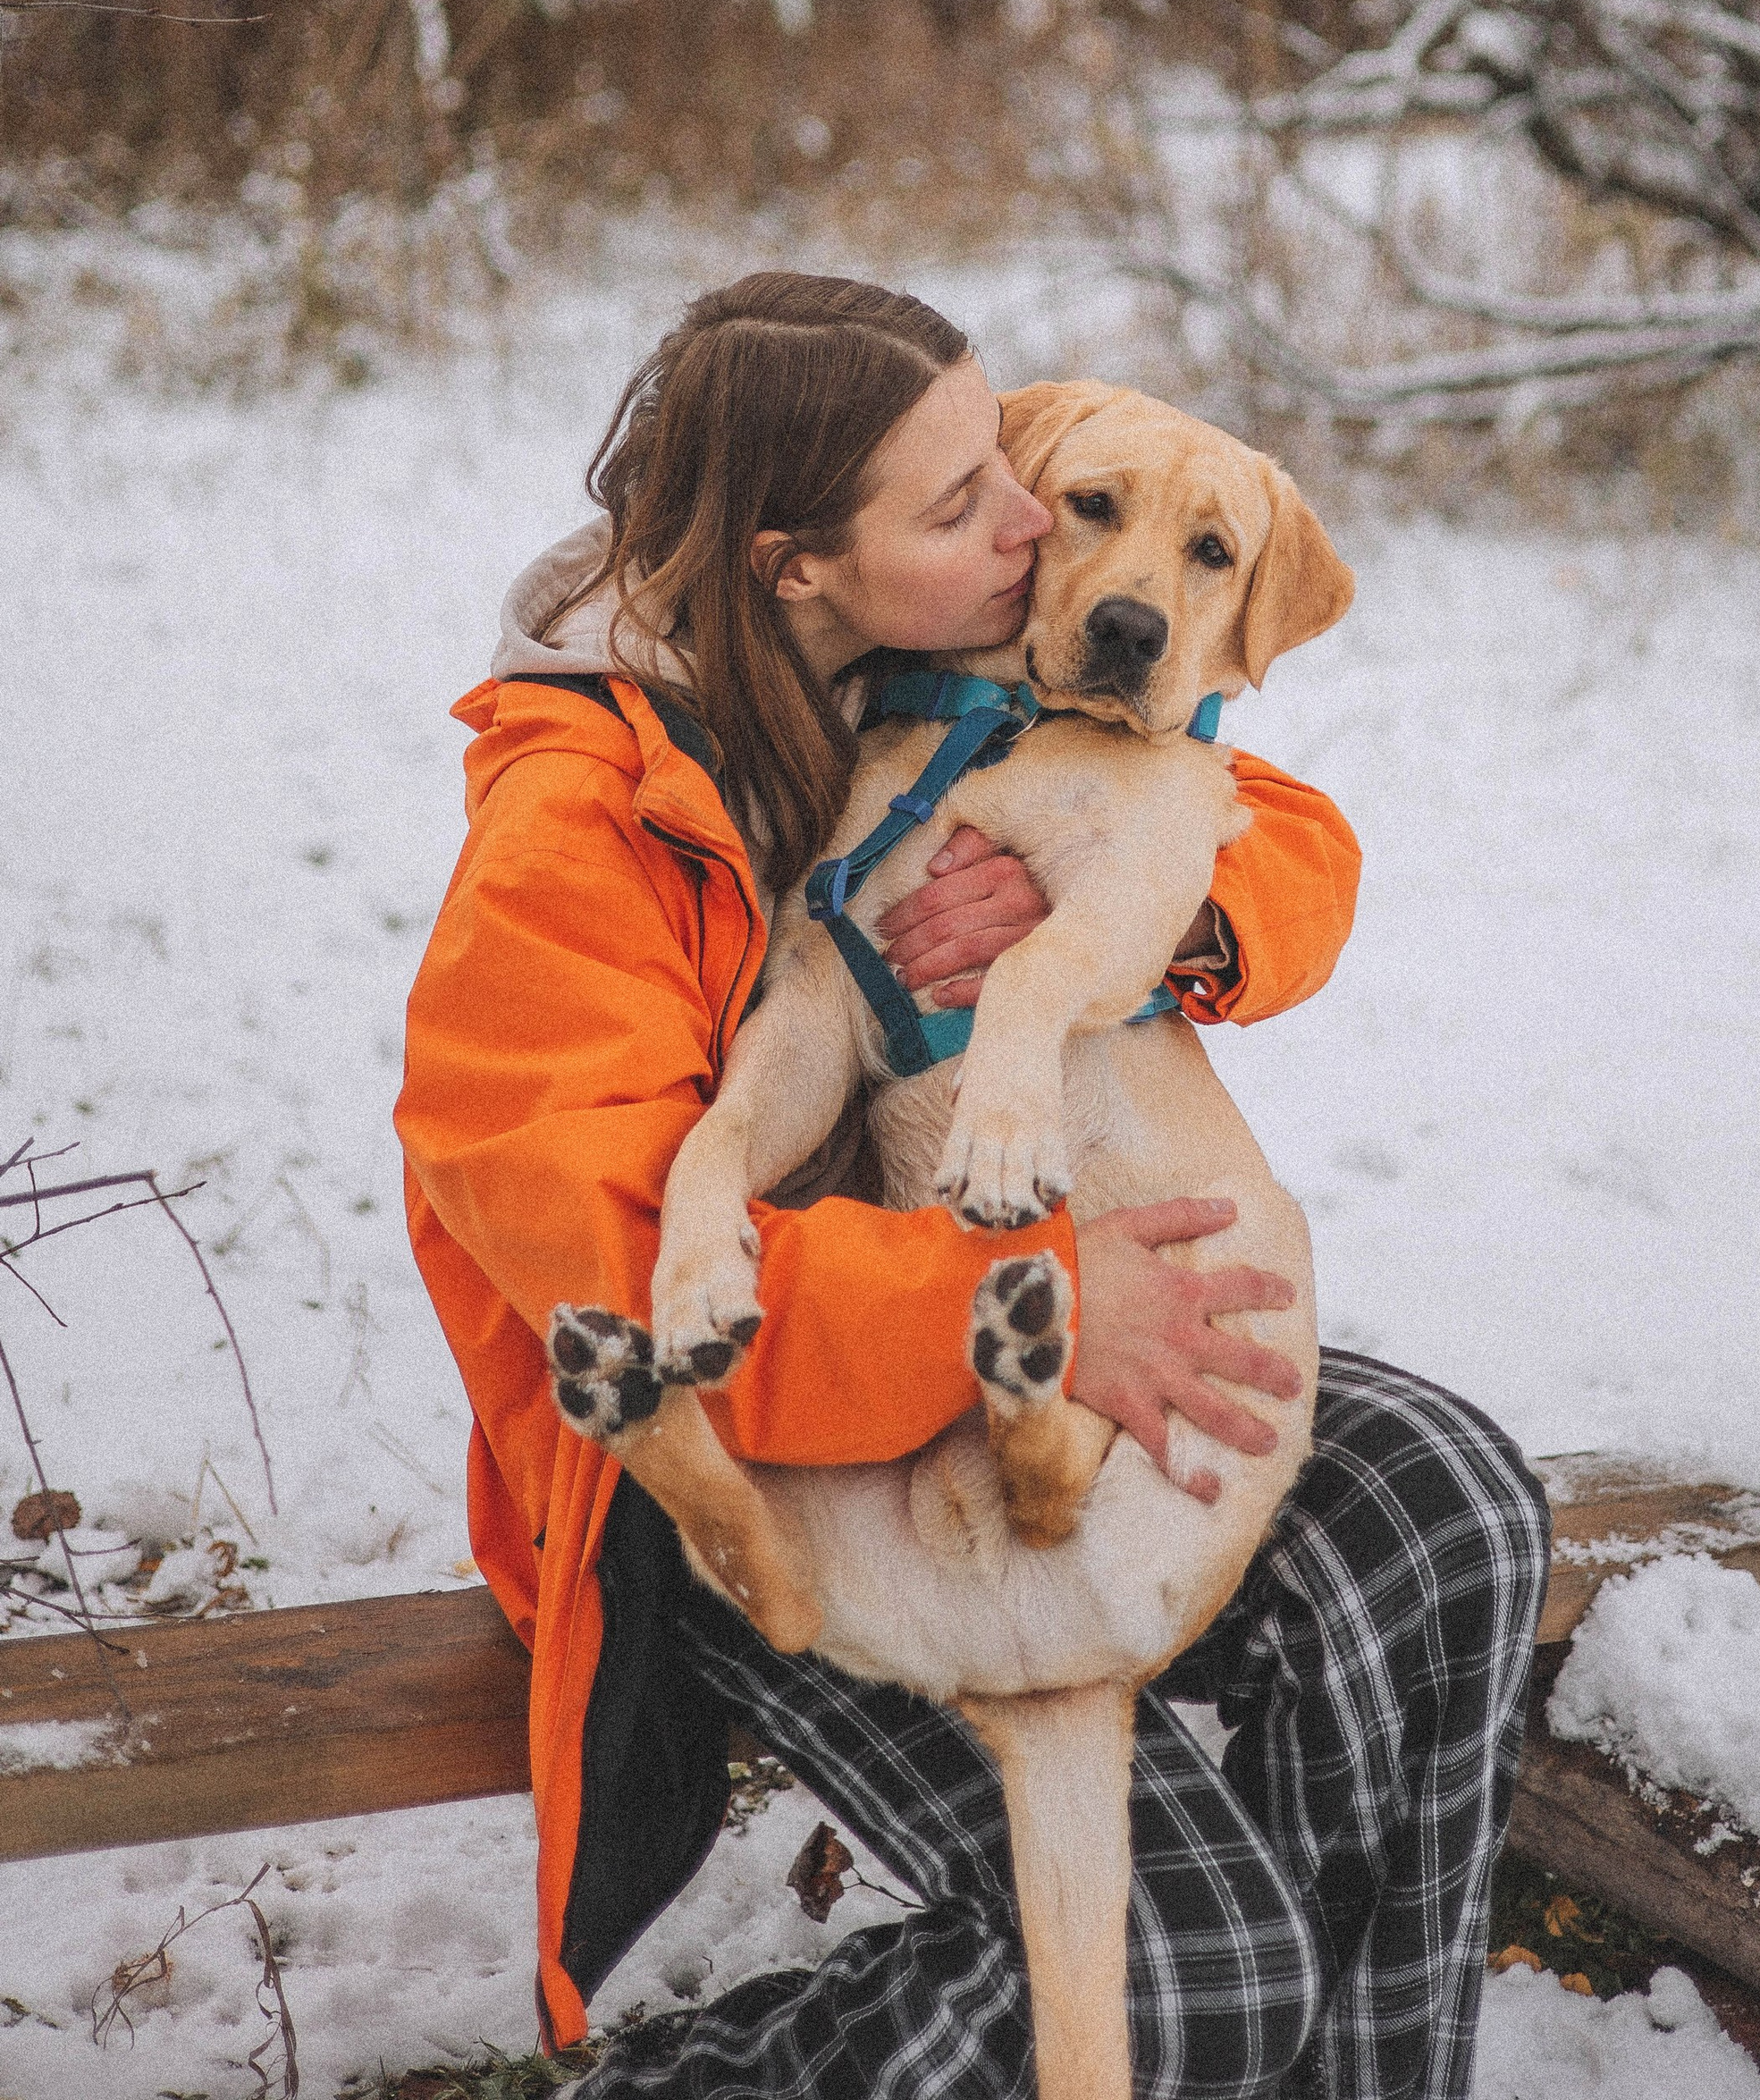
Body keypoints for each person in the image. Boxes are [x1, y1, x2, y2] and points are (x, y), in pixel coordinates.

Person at [397, 272, 1548, 2100]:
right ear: (794, 563)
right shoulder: (567, 842)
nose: (1029, 516)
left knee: (1453, 1511)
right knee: (1196, 1968)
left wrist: (1154, 923)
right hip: (739, 1467)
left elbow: (1283, 832)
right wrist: (1045, 1318)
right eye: (969, 502)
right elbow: (626, 1286)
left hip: (1031, 1300)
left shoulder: (955, 658)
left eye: (1016, 457)